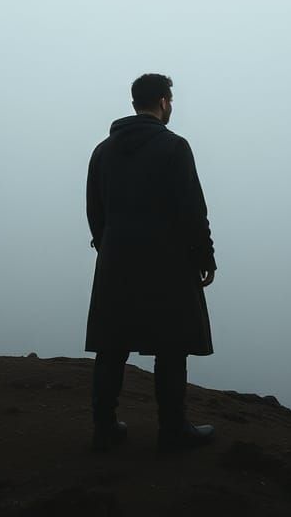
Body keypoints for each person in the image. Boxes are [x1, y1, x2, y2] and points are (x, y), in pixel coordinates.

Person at [85, 73, 217, 452]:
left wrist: (107, 247)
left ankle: (104, 430)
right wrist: (204, 255)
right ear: (162, 101)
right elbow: (193, 209)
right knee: (171, 347)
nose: (171, 106)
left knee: (111, 347)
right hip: (168, 263)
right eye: (170, 99)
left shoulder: (102, 151)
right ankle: (173, 432)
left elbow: (95, 211)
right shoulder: (175, 147)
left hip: (116, 261)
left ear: (133, 103)